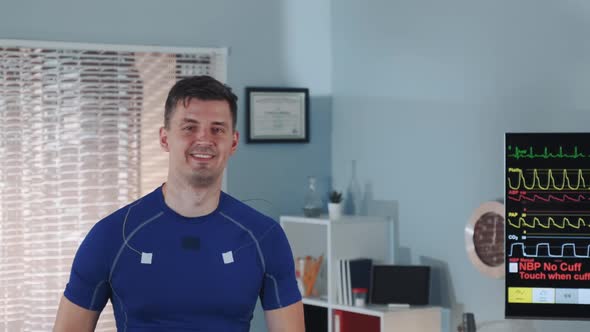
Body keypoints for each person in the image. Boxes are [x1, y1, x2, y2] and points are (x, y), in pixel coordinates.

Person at [53, 76, 305, 331]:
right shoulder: (112, 235)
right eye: (189, 127)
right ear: (164, 138)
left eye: (217, 129)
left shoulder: (264, 237)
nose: (204, 139)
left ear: (233, 142)